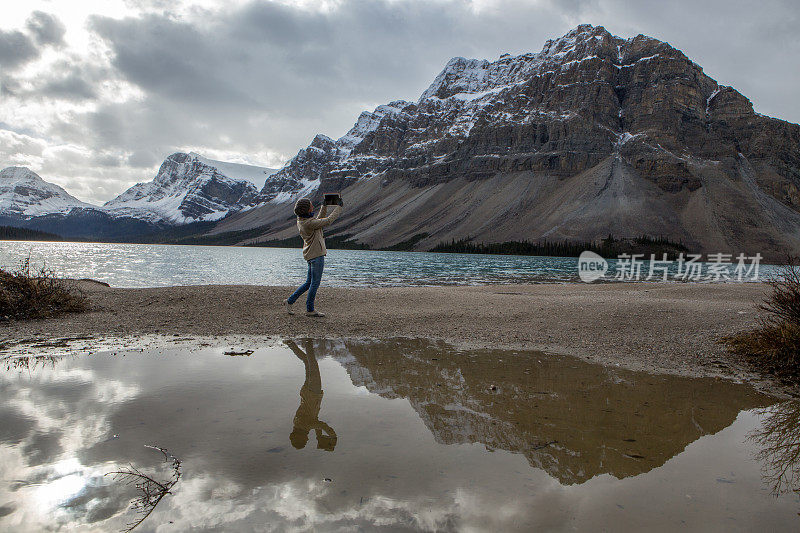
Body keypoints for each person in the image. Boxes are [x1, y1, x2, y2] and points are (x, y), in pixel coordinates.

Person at [283, 196, 342, 317]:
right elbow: (328, 220)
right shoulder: (309, 223)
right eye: (311, 206)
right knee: (314, 283)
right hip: (317, 255)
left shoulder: (303, 221)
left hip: (310, 255)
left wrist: (324, 206)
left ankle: (290, 301)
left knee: (308, 282)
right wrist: (339, 207)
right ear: (306, 210)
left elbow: (319, 219)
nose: (312, 207)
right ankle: (310, 309)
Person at [286, 340, 337, 451]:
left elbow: (321, 425)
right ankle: (290, 343)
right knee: (307, 361)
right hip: (307, 393)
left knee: (312, 362)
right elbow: (315, 421)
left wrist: (333, 436)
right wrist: (318, 435)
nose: (308, 439)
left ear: (302, 437)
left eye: (305, 440)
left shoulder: (305, 425)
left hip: (313, 393)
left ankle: (308, 340)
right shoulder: (298, 424)